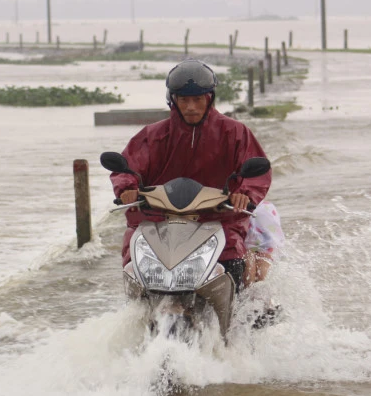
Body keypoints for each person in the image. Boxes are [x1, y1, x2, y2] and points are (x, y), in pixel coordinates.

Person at [110, 58, 271, 290]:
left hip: (217, 219)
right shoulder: (152, 135)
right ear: (173, 100)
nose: (191, 107)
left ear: (210, 98)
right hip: (157, 219)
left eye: (197, 99)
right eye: (184, 100)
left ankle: (239, 317)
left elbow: (256, 171)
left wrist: (244, 193)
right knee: (134, 269)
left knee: (234, 263)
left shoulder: (235, 132)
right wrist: (126, 188)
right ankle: (139, 313)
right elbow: (128, 166)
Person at [242, 200, 285, 287]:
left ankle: (250, 294)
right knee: (263, 278)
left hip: (240, 211)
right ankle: (262, 297)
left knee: (247, 252)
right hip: (263, 210)